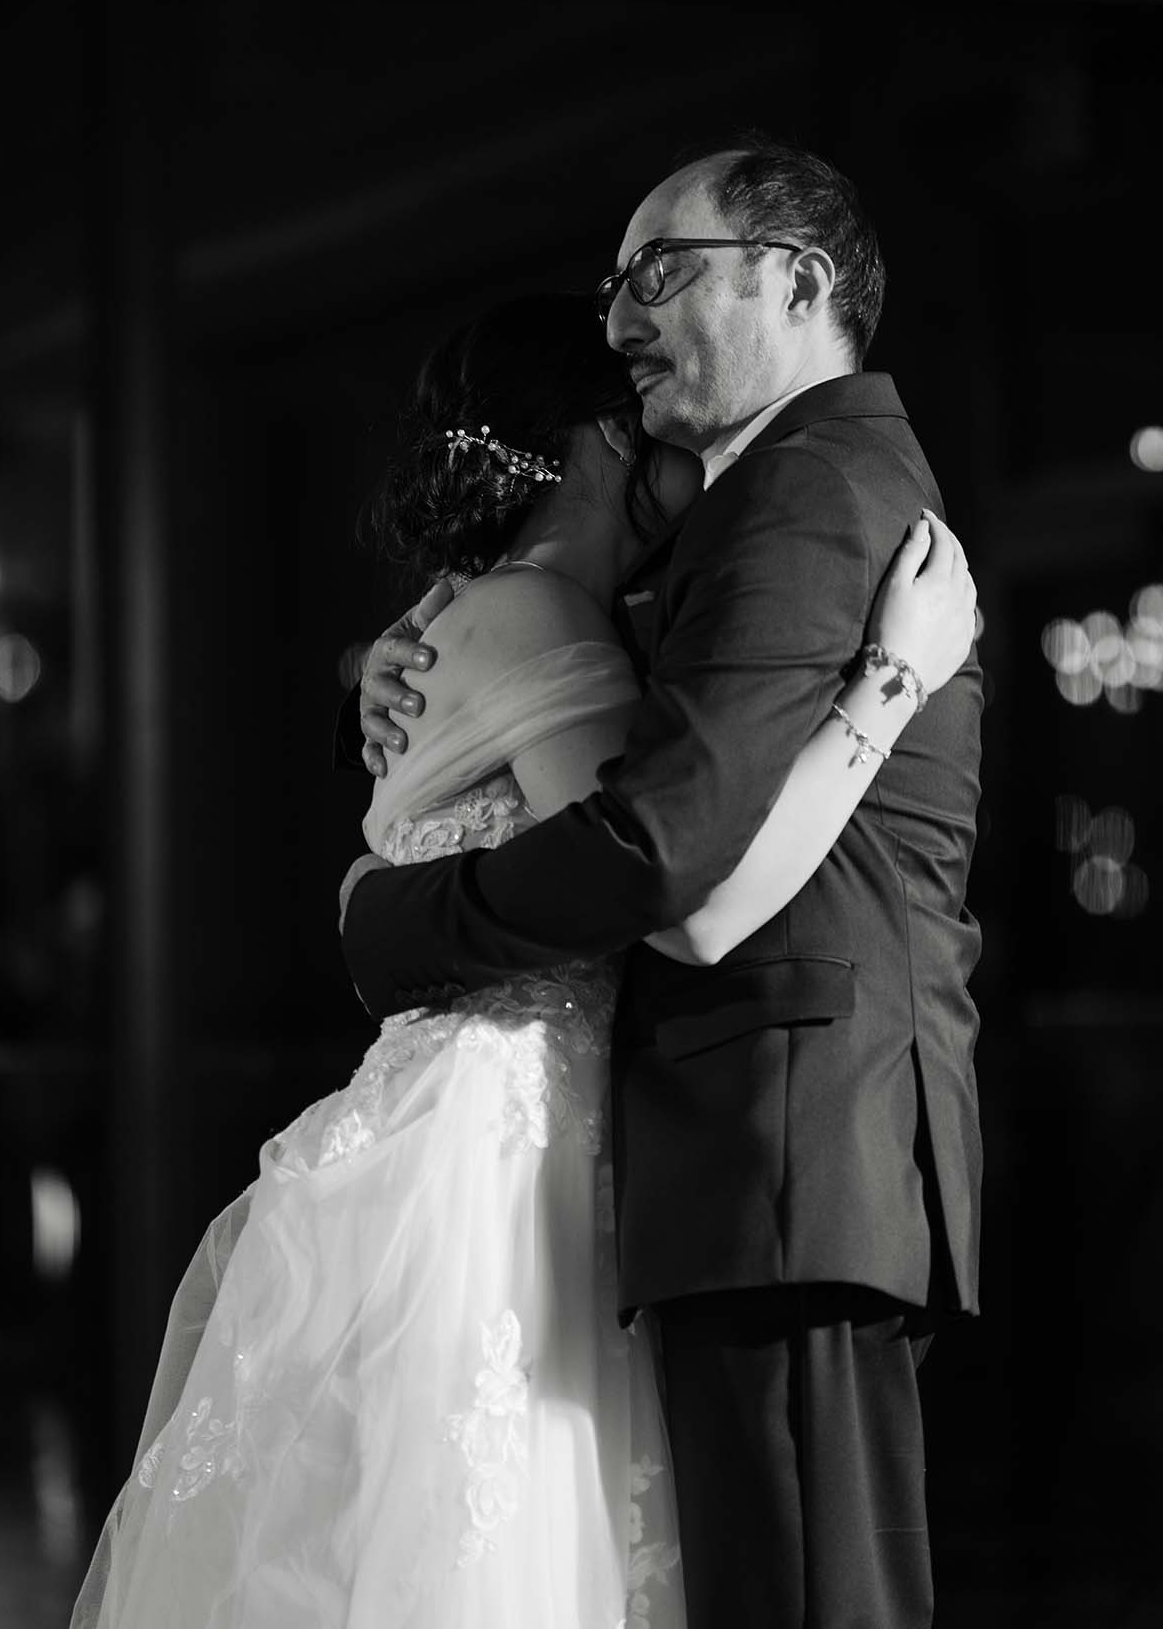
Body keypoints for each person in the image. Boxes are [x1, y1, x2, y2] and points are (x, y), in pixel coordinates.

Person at [71, 284, 974, 1629]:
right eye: (648, 414)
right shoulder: (542, 617)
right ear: (608, 439)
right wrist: (887, 685)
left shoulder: (487, 613)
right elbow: (670, 885)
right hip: (511, 1152)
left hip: (493, 1122)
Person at [341, 138, 984, 1629]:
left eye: (660, 274)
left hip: (790, 1145)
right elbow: (630, 727)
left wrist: (395, 915)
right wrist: (408, 678)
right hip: (751, 1158)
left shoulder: (803, 490)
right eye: (615, 286)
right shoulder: (752, 506)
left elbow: (667, 861)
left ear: (797, 281)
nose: (624, 316)